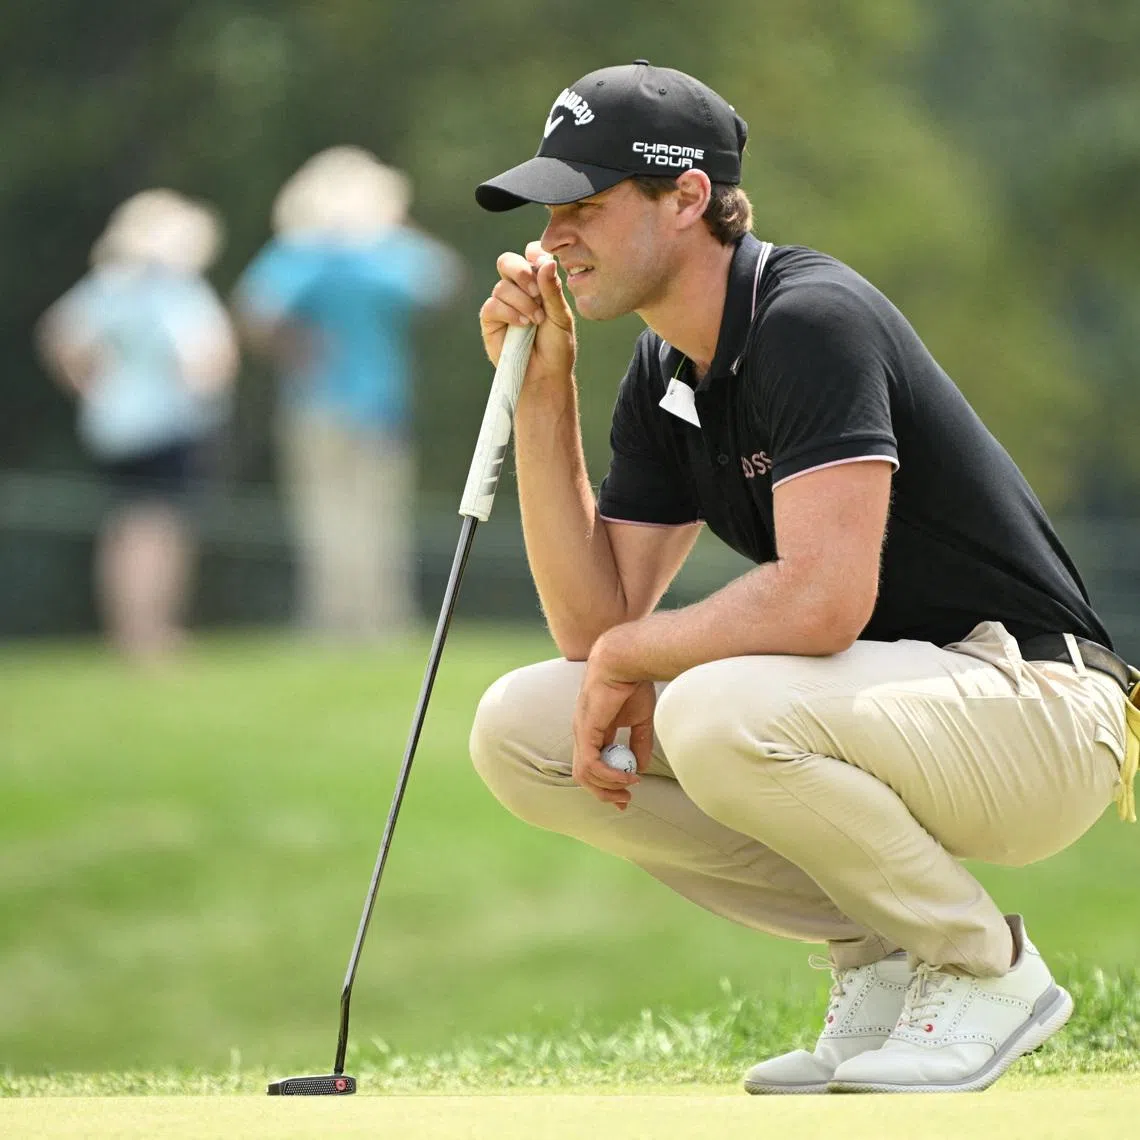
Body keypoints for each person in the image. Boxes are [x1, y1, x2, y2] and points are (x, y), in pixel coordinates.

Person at [467, 60, 1140, 1095]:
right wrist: (544, 393)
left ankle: (984, 969)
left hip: (1042, 709)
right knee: (523, 729)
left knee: (718, 710)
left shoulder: (807, 319)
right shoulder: (664, 374)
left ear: (687, 198)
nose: (554, 236)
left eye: (586, 206)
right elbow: (593, 625)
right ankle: (882, 956)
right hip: (902, 706)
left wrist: (631, 652)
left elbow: (825, 602)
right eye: (550, 210)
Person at [234, 146, 462, 641]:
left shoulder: (300, 252)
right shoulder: (385, 254)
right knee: (381, 514)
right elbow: (443, 280)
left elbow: (256, 311)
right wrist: (396, 226)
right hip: (380, 403)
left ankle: (333, 619)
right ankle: (381, 619)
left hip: (314, 402)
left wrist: (293, 346)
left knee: (323, 515)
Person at [36, 189, 237, 665]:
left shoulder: (109, 285)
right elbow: (208, 357)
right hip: (166, 426)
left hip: (113, 426)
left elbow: (58, 334)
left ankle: (128, 631)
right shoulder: (174, 291)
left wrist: (89, 386)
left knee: (124, 529)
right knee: (160, 531)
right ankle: (152, 633)